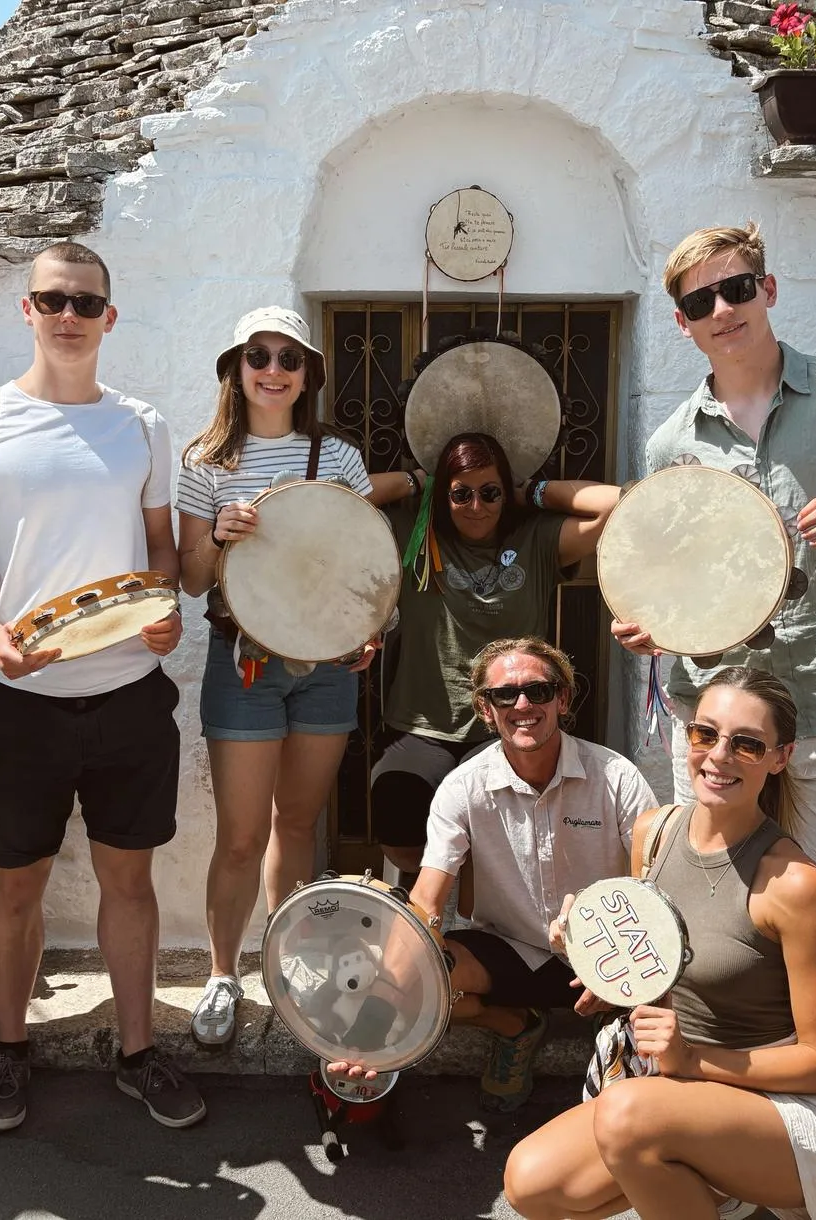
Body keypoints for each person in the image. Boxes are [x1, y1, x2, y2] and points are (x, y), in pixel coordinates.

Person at [611, 221, 816, 1186]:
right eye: (699, 303)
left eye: (735, 289)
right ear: (682, 324)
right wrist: (653, 624)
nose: (722, 311)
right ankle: (712, 1090)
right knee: (707, 906)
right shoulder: (670, 439)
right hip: (714, 711)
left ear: (769, 286)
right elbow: (668, 572)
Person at [0, 241, 203, 1134]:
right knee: (15, 888)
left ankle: (137, 1051)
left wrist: (162, 607)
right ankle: (12, 1052)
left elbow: (160, 548)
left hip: (129, 691)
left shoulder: (144, 425)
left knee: (131, 882)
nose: (69, 317)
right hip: (20, 700)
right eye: (53, 300)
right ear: (28, 310)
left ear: (109, 318)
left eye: (87, 304)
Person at [503, 667, 816, 1220]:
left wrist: (693, 1061)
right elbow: (658, 981)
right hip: (674, 1092)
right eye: (705, 734)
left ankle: (727, 1182)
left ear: (781, 757)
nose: (718, 756)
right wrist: (599, 962)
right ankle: (711, 1186)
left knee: (627, 1116)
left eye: (747, 744)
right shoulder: (652, 832)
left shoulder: (792, 883)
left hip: (777, 1103)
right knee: (529, 1183)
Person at [177, 306, 411, 1047]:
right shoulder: (205, 463)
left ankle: (290, 962)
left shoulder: (334, 458)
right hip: (242, 661)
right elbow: (188, 580)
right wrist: (219, 537)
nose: (272, 369)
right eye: (258, 356)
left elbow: (354, 563)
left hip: (325, 667)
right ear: (235, 368)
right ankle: (223, 974)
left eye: (288, 358)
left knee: (299, 825)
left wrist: (370, 630)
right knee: (241, 838)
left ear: (307, 373)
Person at [331, 637, 654, 1111]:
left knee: (667, 1004)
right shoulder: (463, 787)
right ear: (485, 709)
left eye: (539, 691)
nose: (523, 705)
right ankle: (515, 1026)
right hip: (513, 952)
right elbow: (425, 902)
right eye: (505, 695)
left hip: (606, 952)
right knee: (416, 971)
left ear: (563, 699)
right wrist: (373, 1027)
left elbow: (653, 886)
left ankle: (611, 1025)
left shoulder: (617, 776)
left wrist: (620, 969)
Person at [373, 430, 618, 878]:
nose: (476, 506)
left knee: (493, 840)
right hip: (424, 724)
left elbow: (619, 507)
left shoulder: (538, 539)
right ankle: (429, 910)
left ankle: (477, 924)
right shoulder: (415, 532)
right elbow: (341, 501)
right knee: (397, 829)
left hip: (508, 723)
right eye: (460, 494)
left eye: (490, 492)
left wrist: (535, 492)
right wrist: (416, 482)